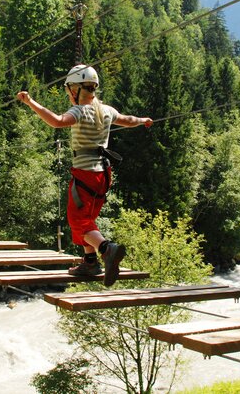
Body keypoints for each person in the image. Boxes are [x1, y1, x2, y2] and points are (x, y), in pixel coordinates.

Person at [17, 64, 152, 286]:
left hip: (85, 174)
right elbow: (128, 120)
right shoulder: (106, 110)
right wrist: (142, 120)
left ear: (76, 90)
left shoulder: (79, 111)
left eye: (69, 89)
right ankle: (90, 262)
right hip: (104, 174)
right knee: (87, 220)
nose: (69, 94)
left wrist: (30, 102)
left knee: (78, 221)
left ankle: (106, 249)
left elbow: (57, 121)